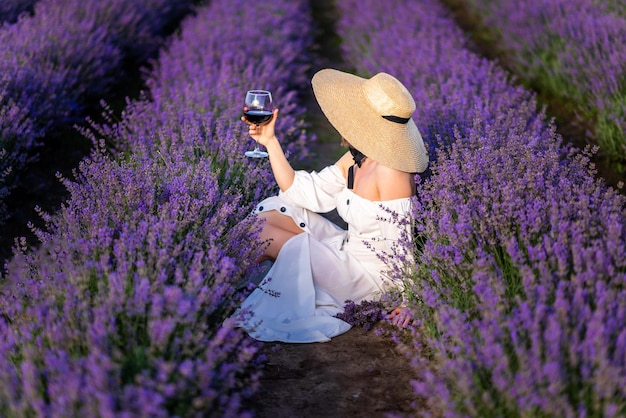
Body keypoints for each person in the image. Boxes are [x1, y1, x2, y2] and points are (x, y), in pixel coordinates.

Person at [234, 68, 429, 343]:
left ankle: (211, 291)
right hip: (346, 251)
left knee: (269, 236)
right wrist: (270, 141)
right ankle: (219, 281)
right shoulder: (357, 158)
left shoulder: (390, 172)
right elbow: (306, 193)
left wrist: (410, 300)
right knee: (270, 214)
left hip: (368, 281)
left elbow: (401, 242)